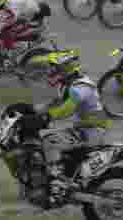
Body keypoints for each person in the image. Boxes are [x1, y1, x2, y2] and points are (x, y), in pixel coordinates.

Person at [27, 49, 109, 205]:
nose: (50, 71)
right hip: (84, 128)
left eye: (54, 68)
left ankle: (58, 188)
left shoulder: (82, 86)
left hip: (93, 131)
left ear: (65, 68)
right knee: (46, 141)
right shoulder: (69, 85)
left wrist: (47, 117)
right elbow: (56, 103)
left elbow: (68, 108)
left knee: (50, 141)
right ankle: (58, 179)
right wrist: (30, 110)